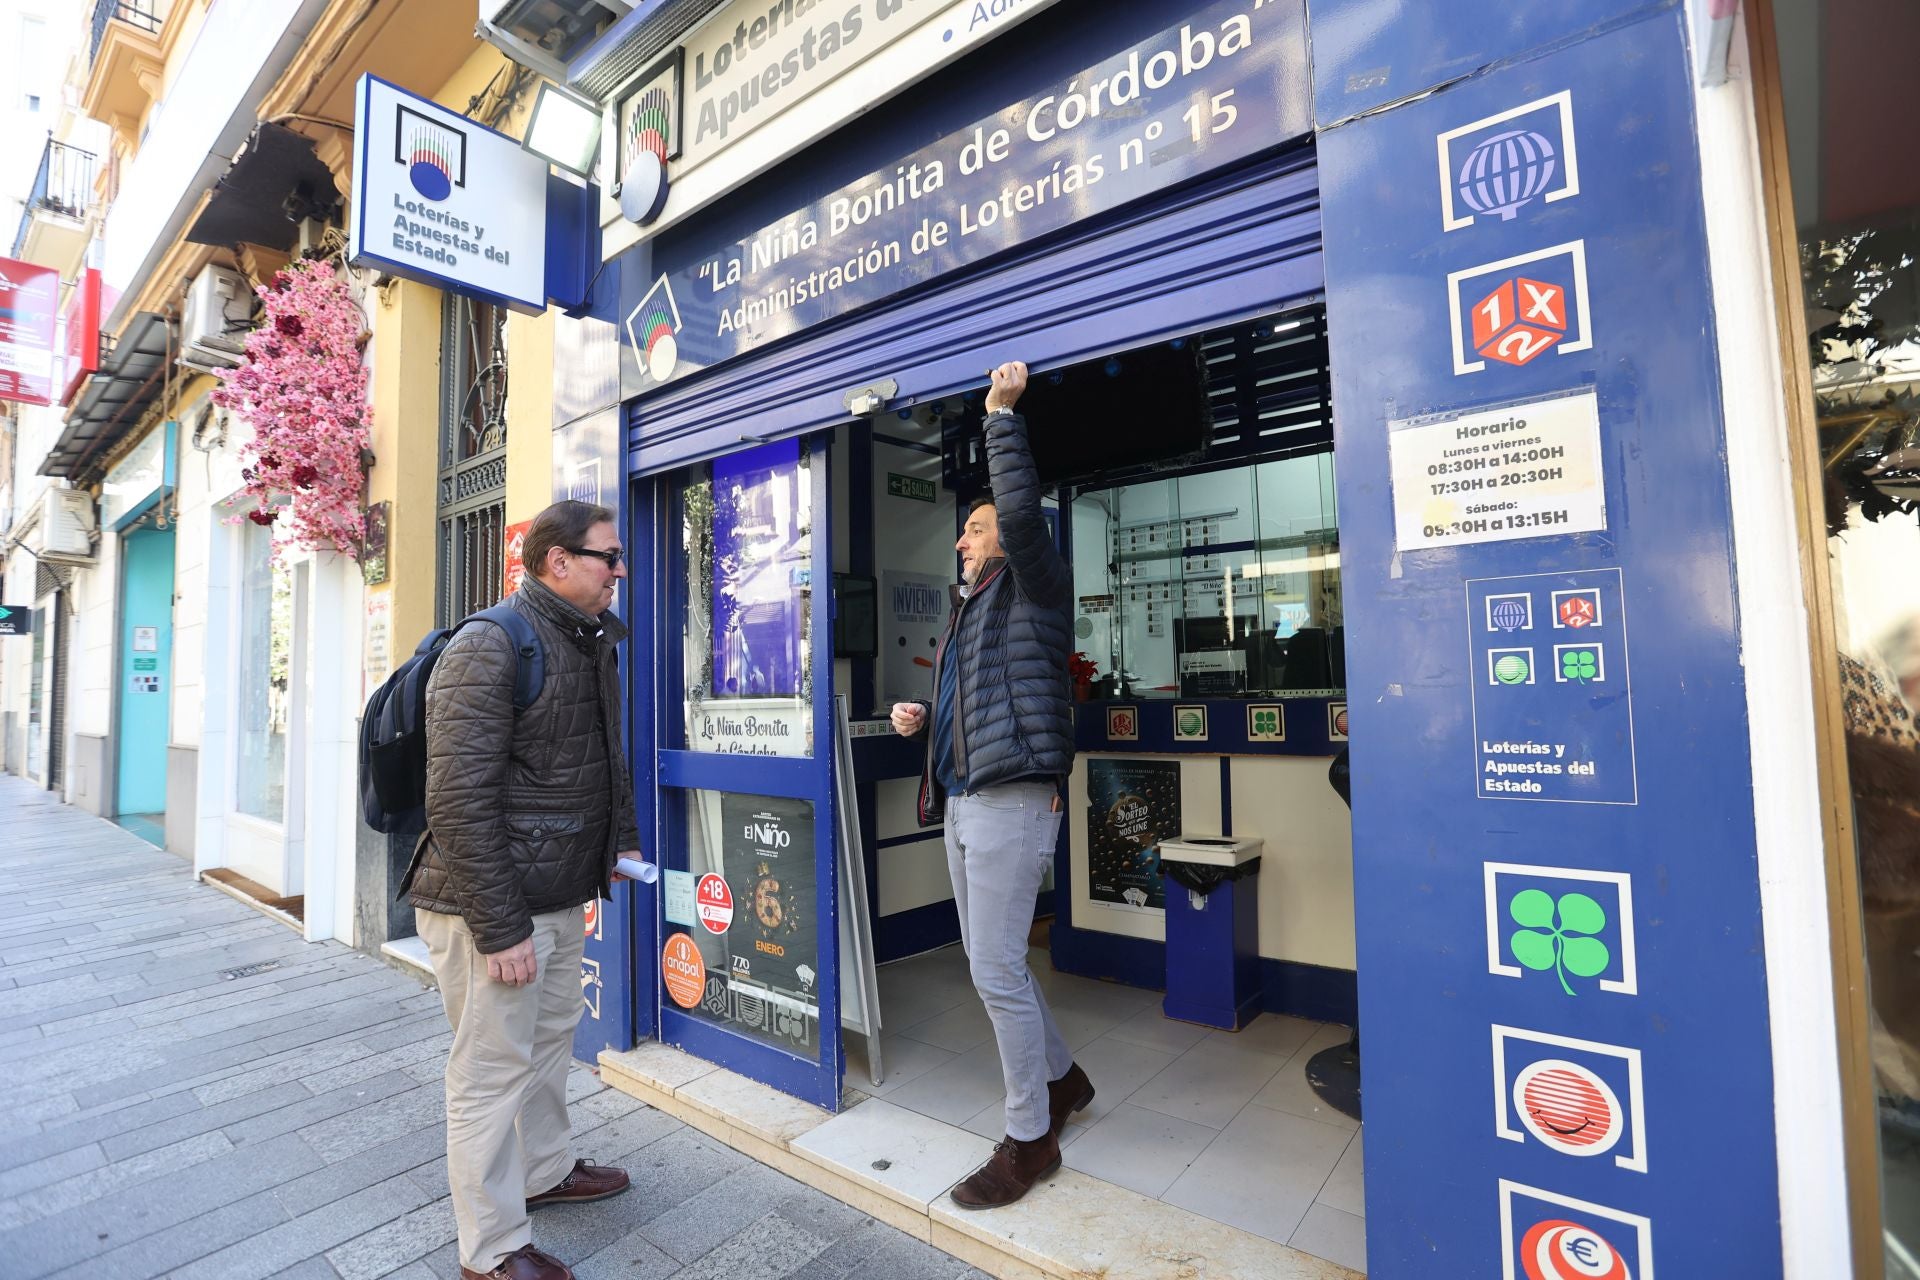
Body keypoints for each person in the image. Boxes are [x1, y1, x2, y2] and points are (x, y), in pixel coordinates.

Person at [402, 500, 642, 1280]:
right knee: (490, 1070)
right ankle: (491, 1250)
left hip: (557, 891)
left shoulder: (587, 639)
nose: (619, 569)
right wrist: (500, 927)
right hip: (489, 905)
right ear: (556, 562)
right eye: (607, 556)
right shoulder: (491, 643)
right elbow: (458, 798)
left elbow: (603, 757)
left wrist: (619, 845)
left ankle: (545, 1171)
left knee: (547, 1044)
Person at [891, 361, 1093, 1209]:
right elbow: (981, 706)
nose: (966, 539)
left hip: (1013, 800)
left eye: (976, 528)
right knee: (990, 962)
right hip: (966, 802)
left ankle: (1029, 1136)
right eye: (967, 531)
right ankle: (1065, 1081)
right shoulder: (972, 609)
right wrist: (924, 719)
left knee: (998, 970)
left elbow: (1017, 510)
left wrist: (1001, 420)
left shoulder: (1037, 585)